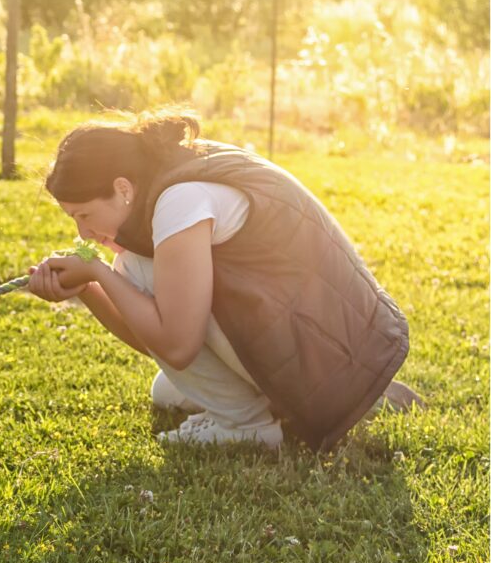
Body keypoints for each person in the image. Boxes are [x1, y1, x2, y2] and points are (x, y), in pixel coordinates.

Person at [27, 108, 420, 451]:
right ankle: (351, 396)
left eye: (83, 215)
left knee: (132, 270)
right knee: (165, 391)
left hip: (324, 348)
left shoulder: (179, 201)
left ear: (122, 188)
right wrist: (90, 291)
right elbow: (158, 344)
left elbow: (178, 346)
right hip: (328, 341)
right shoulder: (170, 168)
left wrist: (98, 271)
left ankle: (246, 426)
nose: (82, 234)